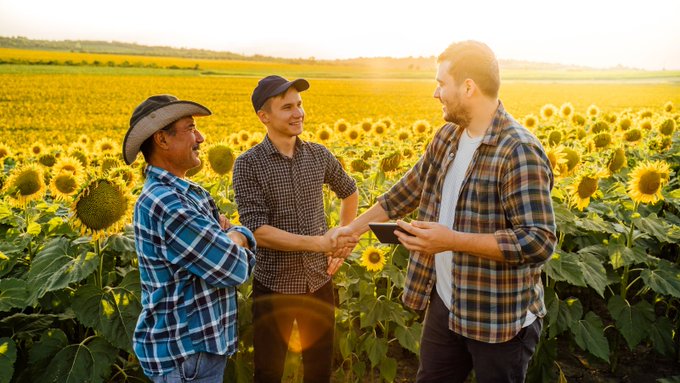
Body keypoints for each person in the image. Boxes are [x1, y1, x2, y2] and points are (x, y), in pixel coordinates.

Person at [333, 41, 556, 383]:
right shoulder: (448, 137)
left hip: (498, 317)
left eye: (441, 83)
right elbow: (408, 190)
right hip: (447, 304)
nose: (435, 93)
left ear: (468, 87)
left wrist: (451, 241)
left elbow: (538, 242)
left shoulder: (518, 151)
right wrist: (354, 230)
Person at [232, 75, 359, 383]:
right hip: (274, 286)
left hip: (319, 283)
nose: (298, 113)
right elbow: (257, 230)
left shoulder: (318, 155)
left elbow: (350, 191)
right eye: (287, 107)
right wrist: (318, 244)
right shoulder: (248, 164)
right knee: (268, 371)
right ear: (264, 116)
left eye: (299, 105)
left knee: (319, 370)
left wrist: (342, 241)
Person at [123, 94, 257, 383]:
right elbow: (233, 268)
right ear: (162, 139)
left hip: (198, 350)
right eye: (191, 128)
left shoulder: (188, 192)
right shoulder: (167, 204)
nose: (201, 137)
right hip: (185, 356)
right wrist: (236, 234)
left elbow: (227, 245)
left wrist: (231, 235)